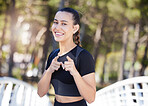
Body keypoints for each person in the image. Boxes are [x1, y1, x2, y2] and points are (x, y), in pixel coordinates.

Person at [37, 7, 96, 106]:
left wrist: (74, 72)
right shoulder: (53, 55)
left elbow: (91, 98)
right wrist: (49, 70)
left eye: (64, 24)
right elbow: (40, 92)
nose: (57, 27)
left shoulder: (83, 56)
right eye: (56, 22)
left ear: (75, 28)